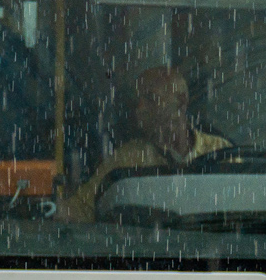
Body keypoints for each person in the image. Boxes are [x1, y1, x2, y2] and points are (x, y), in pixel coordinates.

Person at [64, 66, 230, 222]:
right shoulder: (127, 158)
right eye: (138, 101)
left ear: (181, 101)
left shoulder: (222, 152)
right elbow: (81, 208)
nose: (140, 108)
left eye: (150, 98)